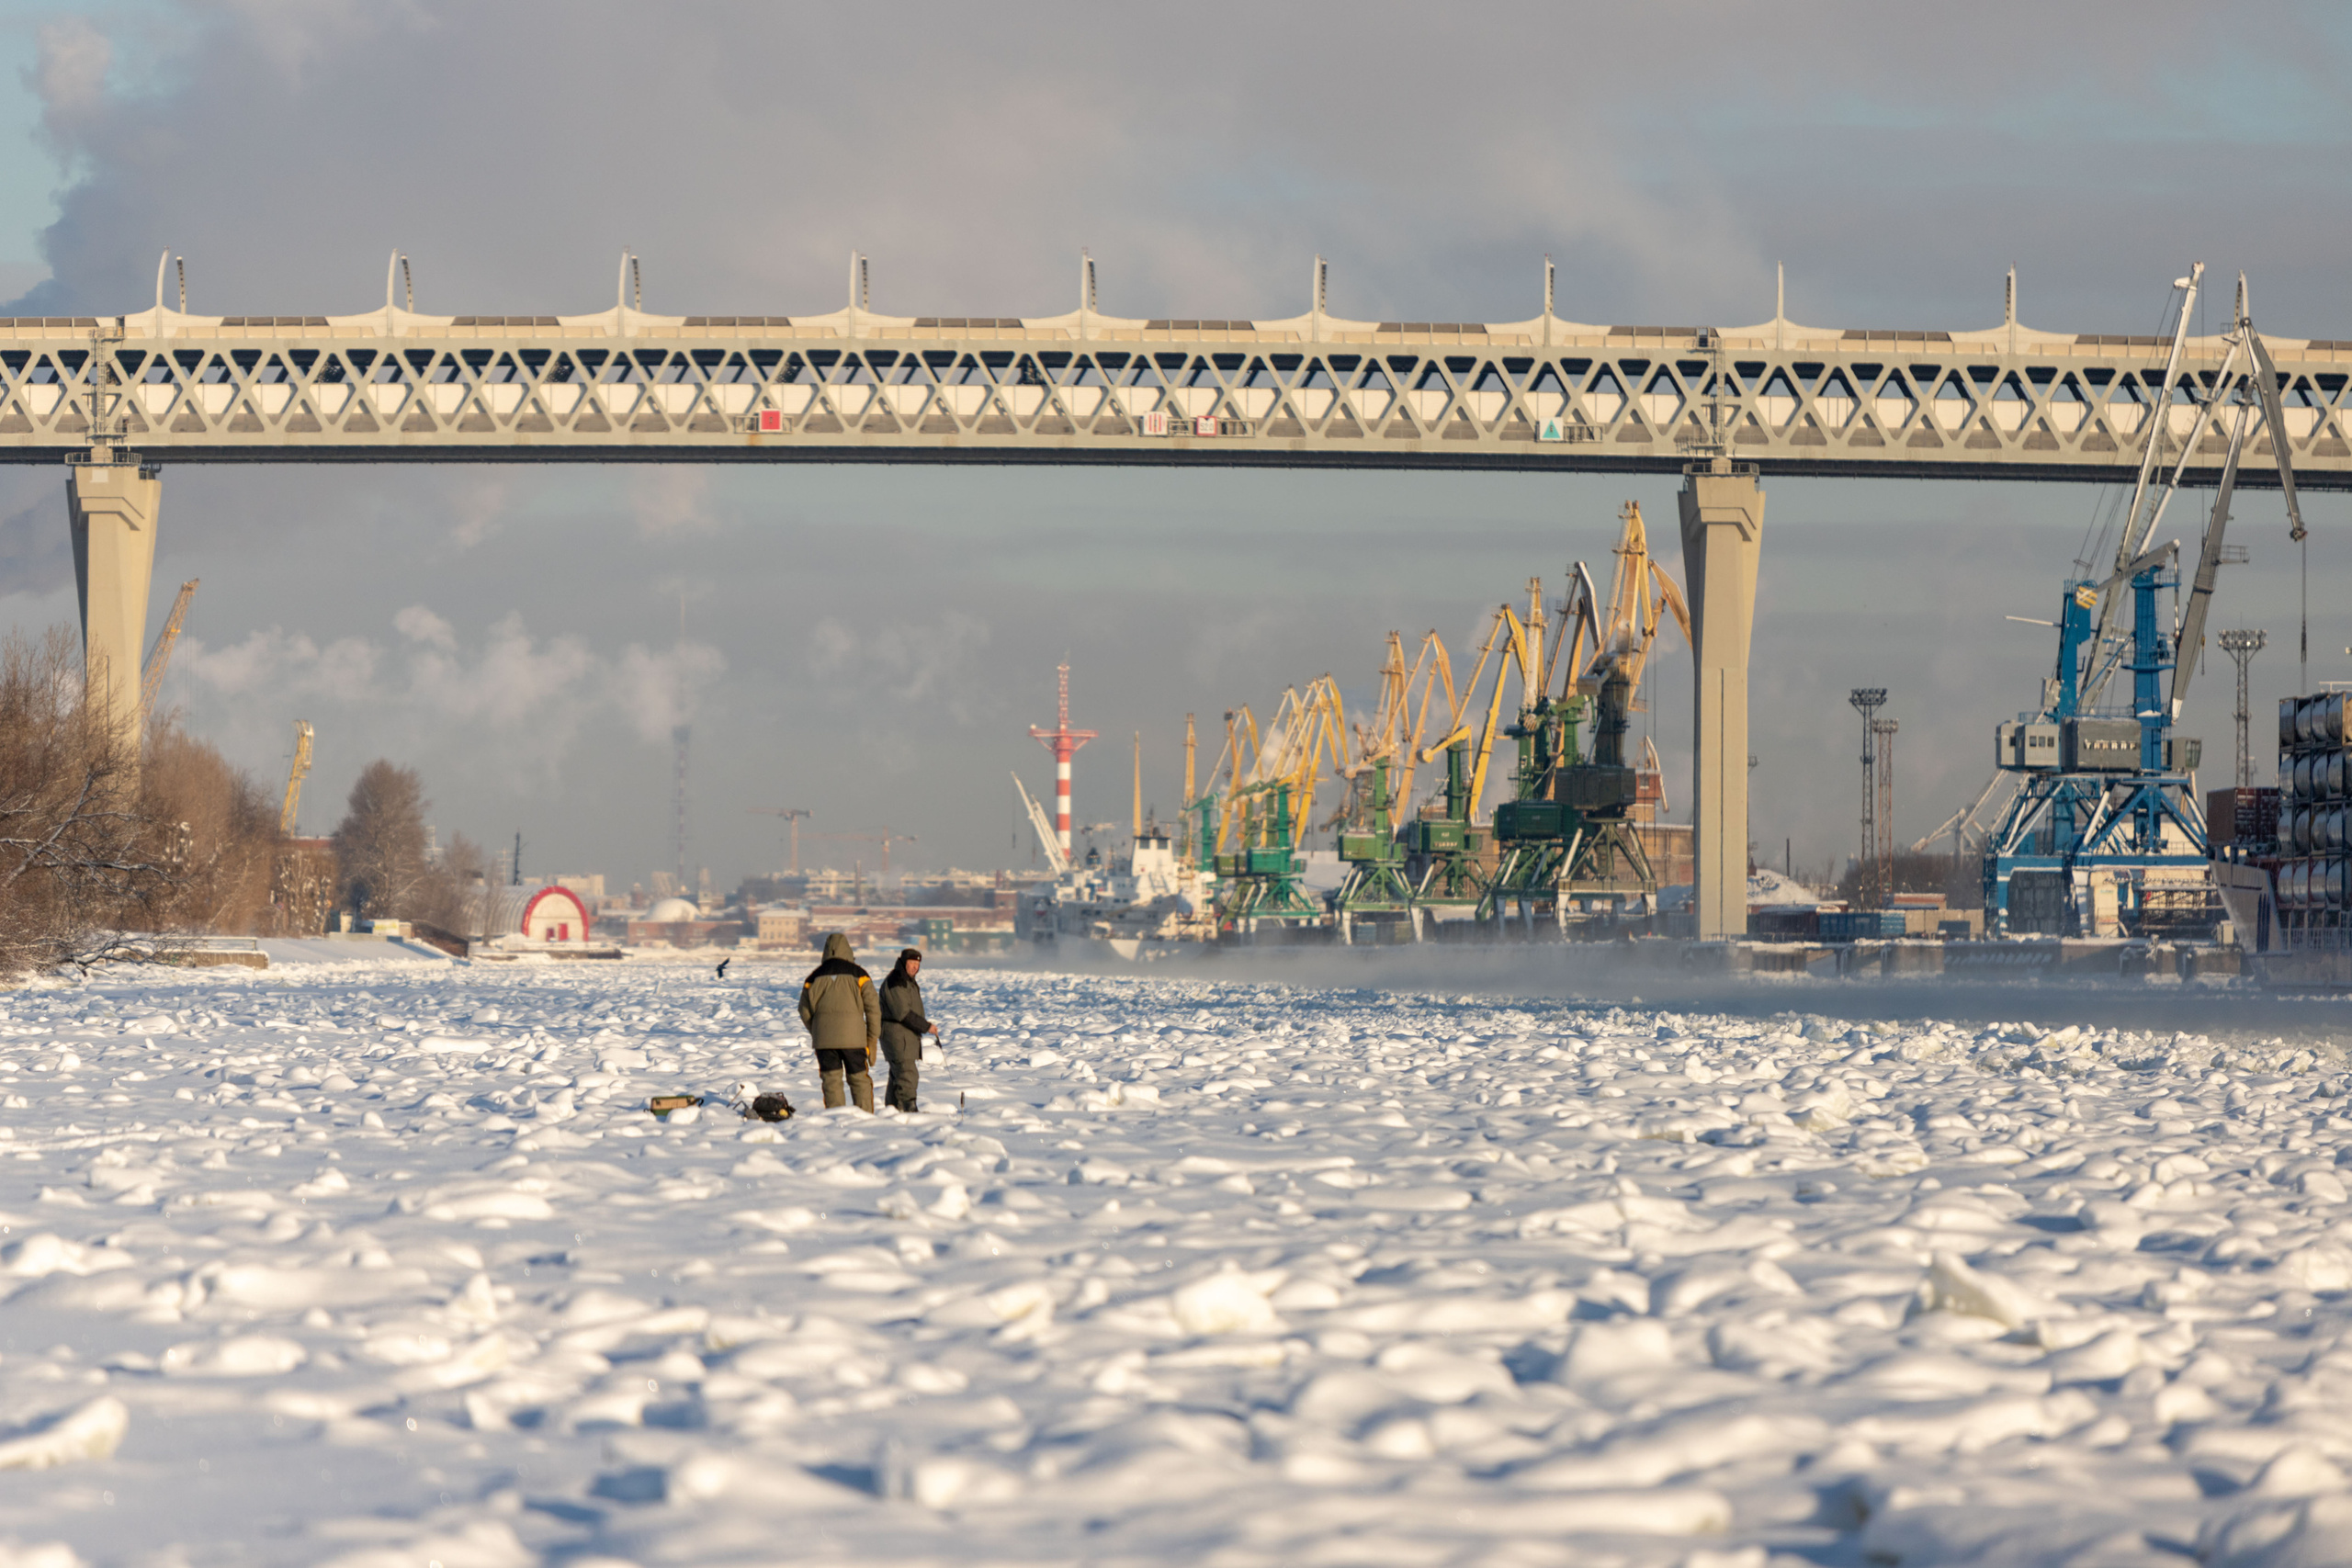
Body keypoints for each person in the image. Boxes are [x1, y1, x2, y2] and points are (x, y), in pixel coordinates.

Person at [797, 931, 880, 1111]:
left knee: (831, 1081)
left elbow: (803, 1010)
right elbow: (873, 1009)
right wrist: (871, 1039)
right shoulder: (860, 975)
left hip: (824, 1042)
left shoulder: (813, 977)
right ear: (848, 950)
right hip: (854, 1041)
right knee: (859, 1080)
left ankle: (837, 1119)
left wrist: (818, 1031)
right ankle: (865, 1117)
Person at [878, 947, 939, 1113]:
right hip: (897, 1035)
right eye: (911, 963)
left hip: (906, 1036)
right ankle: (909, 1110)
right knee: (907, 1073)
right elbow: (902, 1012)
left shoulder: (908, 981)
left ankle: (892, 1112)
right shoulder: (896, 981)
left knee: (897, 1075)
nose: (914, 967)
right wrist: (926, 1026)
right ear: (903, 962)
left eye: (917, 964)